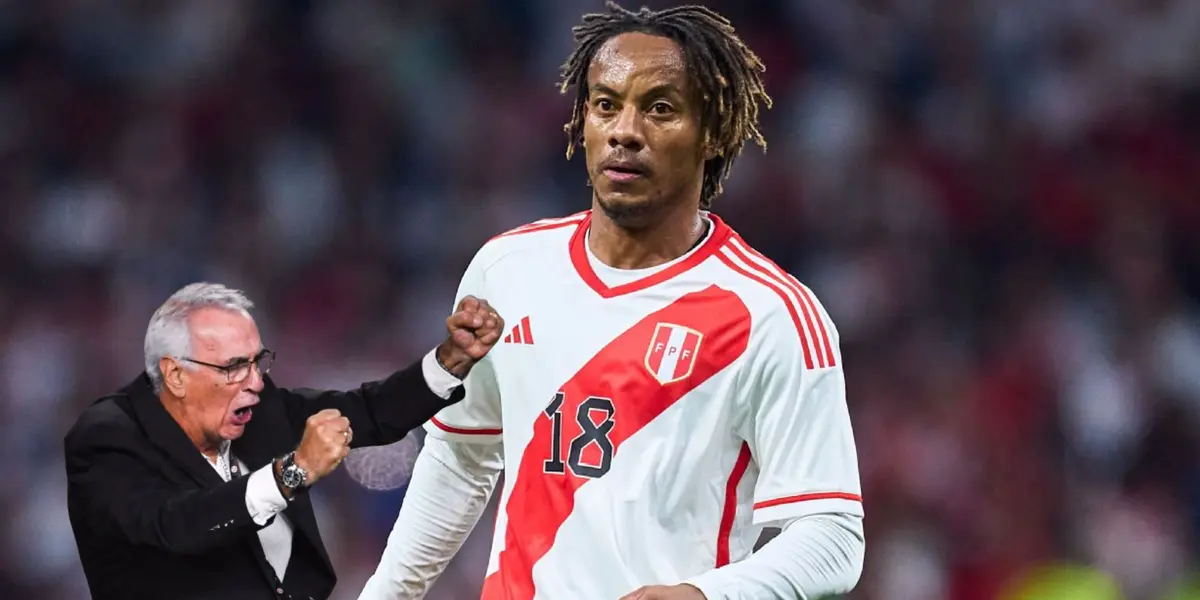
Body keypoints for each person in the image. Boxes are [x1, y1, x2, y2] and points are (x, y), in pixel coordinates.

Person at [358, 3, 865, 599]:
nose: (625, 130)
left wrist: (703, 596)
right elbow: (460, 458)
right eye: (605, 105)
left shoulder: (771, 315)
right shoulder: (506, 272)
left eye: (660, 109)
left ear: (713, 131)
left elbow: (833, 538)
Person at [64, 282, 503, 600]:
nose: (255, 382)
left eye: (258, 362)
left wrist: (450, 361)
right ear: (176, 374)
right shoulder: (107, 439)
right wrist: (293, 472)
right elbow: (178, 527)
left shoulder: (256, 409)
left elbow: (369, 411)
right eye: (233, 367)